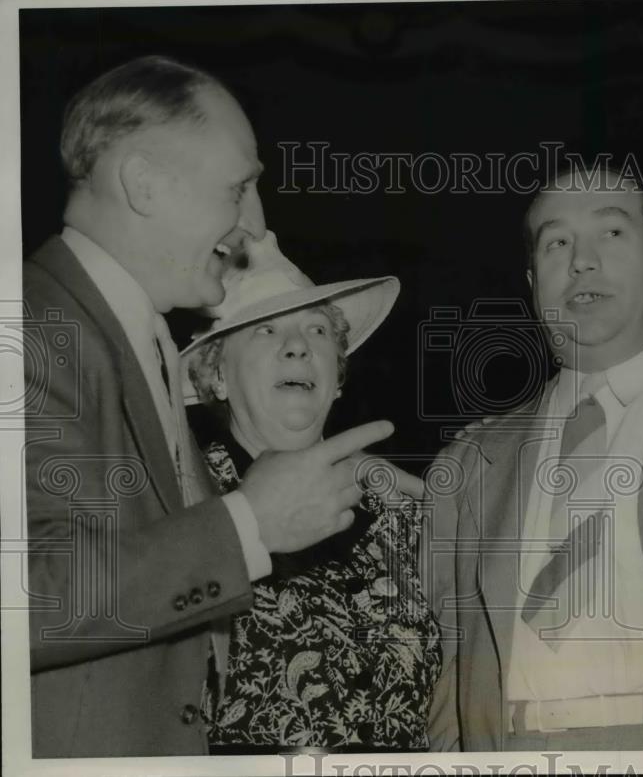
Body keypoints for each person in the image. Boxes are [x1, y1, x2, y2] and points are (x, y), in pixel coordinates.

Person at [23, 55, 421, 757]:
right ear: (144, 184)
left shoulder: (129, 343)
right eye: (237, 188)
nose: (254, 226)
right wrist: (248, 523)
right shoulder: (31, 326)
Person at [422, 164, 643, 751]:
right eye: (556, 243)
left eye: (611, 232)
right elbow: (453, 678)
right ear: (534, 283)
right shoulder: (469, 464)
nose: (581, 261)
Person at [181, 233, 441, 752]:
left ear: (338, 376)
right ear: (217, 376)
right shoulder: (182, 502)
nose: (298, 345)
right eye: (266, 329)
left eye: (317, 330)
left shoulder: (401, 512)